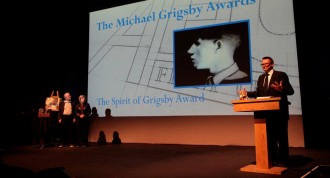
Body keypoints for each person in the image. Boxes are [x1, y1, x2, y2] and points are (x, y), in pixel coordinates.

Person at [239, 56, 294, 166]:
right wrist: (247, 94)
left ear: (272, 64)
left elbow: (291, 91)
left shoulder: (280, 75)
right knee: (270, 138)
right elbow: (259, 94)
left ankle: (283, 160)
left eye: (266, 64)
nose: (264, 66)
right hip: (266, 113)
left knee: (281, 138)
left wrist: (281, 89)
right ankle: (272, 159)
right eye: (262, 64)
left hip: (279, 113)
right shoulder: (261, 78)